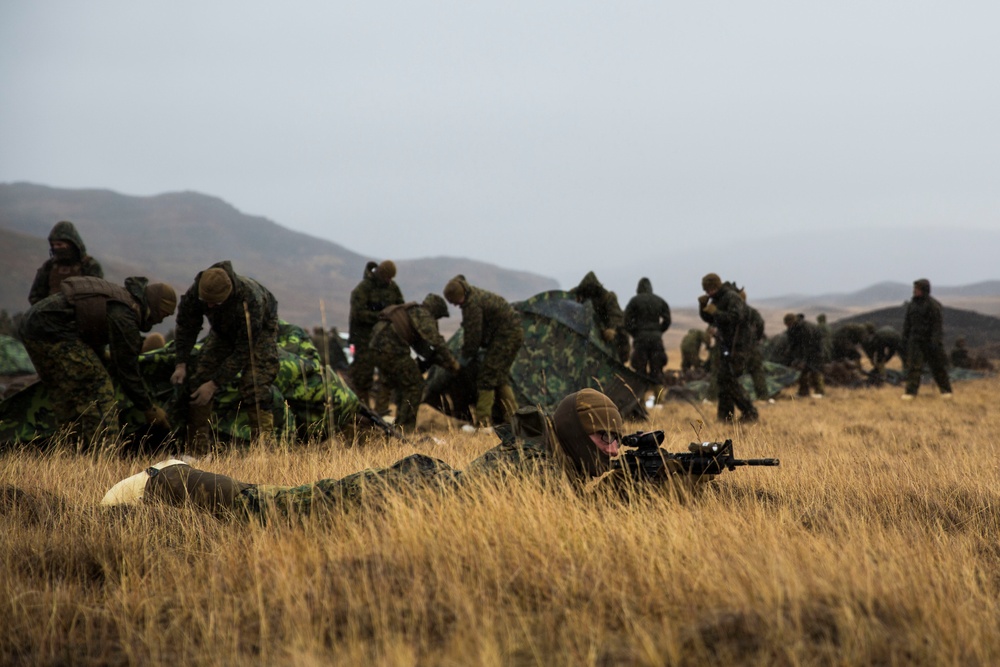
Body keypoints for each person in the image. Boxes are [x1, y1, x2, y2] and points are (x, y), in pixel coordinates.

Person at [102, 388, 629, 517]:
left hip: (419, 487)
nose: (611, 450)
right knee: (270, 508)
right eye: (603, 441)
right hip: (395, 496)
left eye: (615, 441)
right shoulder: (533, 465)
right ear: (576, 436)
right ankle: (164, 481)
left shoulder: (554, 458)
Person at [19, 276, 176, 448]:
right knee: (98, 389)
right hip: (53, 331)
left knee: (65, 396)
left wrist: (102, 355)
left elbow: (89, 325)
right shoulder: (125, 315)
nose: (160, 321)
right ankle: (103, 454)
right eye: (163, 314)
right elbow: (127, 371)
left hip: (33, 327)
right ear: (154, 305)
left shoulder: (122, 301)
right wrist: (149, 408)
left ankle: (70, 450)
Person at [170, 261, 280, 447]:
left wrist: (214, 384)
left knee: (254, 383)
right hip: (222, 330)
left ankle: (264, 449)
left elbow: (244, 349)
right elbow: (186, 327)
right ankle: (197, 451)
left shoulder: (250, 299)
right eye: (208, 303)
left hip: (259, 331)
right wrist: (181, 363)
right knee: (199, 377)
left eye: (217, 303)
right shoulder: (196, 293)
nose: (211, 307)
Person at [368, 294, 459, 432]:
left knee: (389, 384)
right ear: (435, 310)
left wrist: (440, 362)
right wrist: (452, 362)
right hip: (392, 349)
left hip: (376, 348)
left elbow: (422, 348)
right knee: (415, 385)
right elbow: (436, 341)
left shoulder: (410, 311)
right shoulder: (422, 314)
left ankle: (378, 427)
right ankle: (405, 429)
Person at [443, 274, 523, 428]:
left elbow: (473, 337)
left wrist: (463, 360)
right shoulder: (473, 295)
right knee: (499, 378)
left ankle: (483, 423)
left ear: (459, 297)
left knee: (486, 378)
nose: (455, 306)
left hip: (506, 337)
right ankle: (514, 420)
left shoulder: (472, 305)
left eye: (454, 302)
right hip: (510, 335)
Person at [698, 273, 758, 423]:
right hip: (727, 344)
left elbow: (735, 317)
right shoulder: (718, 298)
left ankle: (749, 412)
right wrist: (703, 307)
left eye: (709, 289)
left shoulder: (731, 297)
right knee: (723, 380)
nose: (708, 293)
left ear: (716, 286)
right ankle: (725, 417)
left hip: (738, 345)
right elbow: (712, 319)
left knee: (729, 380)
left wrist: (715, 311)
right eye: (706, 291)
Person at [348, 260, 404, 411]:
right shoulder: (363, 289)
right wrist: (380, 316)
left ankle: (381, 413)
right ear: (380, 273)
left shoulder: (393, 289)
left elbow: (400, 308)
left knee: (386, 378)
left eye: (390, 278)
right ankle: (362, 413)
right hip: (364, 339)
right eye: (386, 277)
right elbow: (357, 314)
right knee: (362, 378)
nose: (388, 281)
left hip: (385, 341)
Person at [28, 220, 104, 305]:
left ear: (71, 244)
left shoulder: (89, 266)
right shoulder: (49, 267)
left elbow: (97, 296)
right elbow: (35, 296)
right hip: (51, 314)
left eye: (59, 244)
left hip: (80, 314)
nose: (56, 248)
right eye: (53, 245)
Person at [901, 278, 953, 399]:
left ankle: (946, 392)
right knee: (914, 367)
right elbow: (907, 323)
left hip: (930, 342)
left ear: (924, 290)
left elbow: (937, 326)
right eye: (914, 288)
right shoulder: (912, 305)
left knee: (937, 367)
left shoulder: (933, 305)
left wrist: (935, 342)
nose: (914, 291)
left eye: (917, 289)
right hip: (915, 341)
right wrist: (905, 338)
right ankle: (910, 393)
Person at [569, 271, 629, 364]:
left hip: (603, 337)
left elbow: (616, 316)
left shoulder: (607, 297)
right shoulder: (575, 296)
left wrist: (611, 329)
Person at [623, 277, 671, 383]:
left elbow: (626, 321)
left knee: (640, 370)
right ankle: (658, 397)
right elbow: (667, 320)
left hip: (641, 340)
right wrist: (658, 331)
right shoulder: (659, 300)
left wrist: (635, 333)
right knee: (657, 370)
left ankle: (641, 397)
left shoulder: (635, 301)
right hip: (656, 340)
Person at [783, 313, 825, 399]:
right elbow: (794, 343)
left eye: (788, 324)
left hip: (814, 352)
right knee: (802, 372)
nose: (787, 326)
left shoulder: (805, 328)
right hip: (804, 352)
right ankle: (803, 391)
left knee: (815, 370)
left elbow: (807, 345)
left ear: (791, 321)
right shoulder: (794, 328)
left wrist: (803, 360)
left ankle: (820, 391)